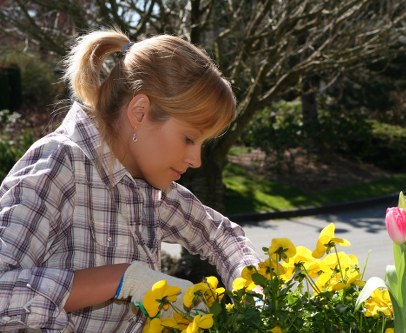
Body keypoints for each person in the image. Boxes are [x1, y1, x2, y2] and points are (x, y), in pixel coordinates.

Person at [0, 29, 261, 332]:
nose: (196, 160)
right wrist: (123, 280)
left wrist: (257, 294)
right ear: (140, 112)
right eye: (189, 138)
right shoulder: (58, 164)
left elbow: (222, 236)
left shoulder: (144, 183)